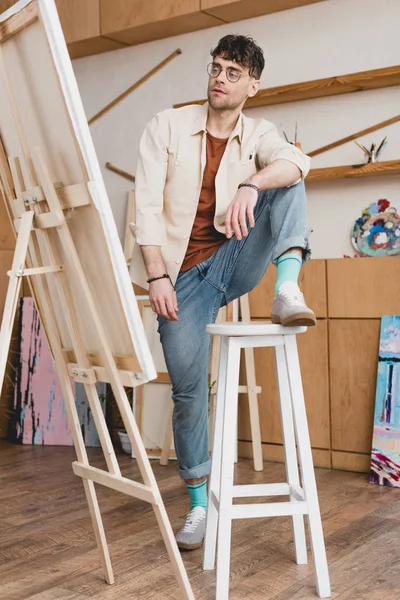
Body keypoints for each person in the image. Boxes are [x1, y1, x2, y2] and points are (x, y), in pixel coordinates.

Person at [130, 34, 314, 551]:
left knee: (289, 174)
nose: (219, 78)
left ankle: (287, 288)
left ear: (253, 85)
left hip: (232, 260)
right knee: (190, 393)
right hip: (178, 281)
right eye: (216, 69)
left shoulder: (260, 132)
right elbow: (143, 208)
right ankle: (197, 505)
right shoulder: (165, 126)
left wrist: (253, 183)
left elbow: (298, 165)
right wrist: (156, 275)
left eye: (233, 72)